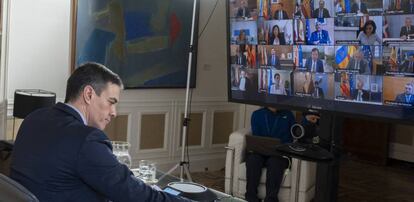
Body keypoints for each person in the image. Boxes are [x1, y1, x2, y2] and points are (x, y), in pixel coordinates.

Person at [10, 63, 188, 201]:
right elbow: (134, 195)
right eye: (111, 101)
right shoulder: (86, 139)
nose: (114, 112)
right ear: (88, 94)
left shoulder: (34, 118)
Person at [245, 107, 295, 202]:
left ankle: (271, 199)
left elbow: (293, 136)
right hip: (260, 151)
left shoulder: (289, 115)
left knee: (274, 162)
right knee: (253, 160)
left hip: (279, 154)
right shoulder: (257, 114)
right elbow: (256, 136)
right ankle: (251, 197)